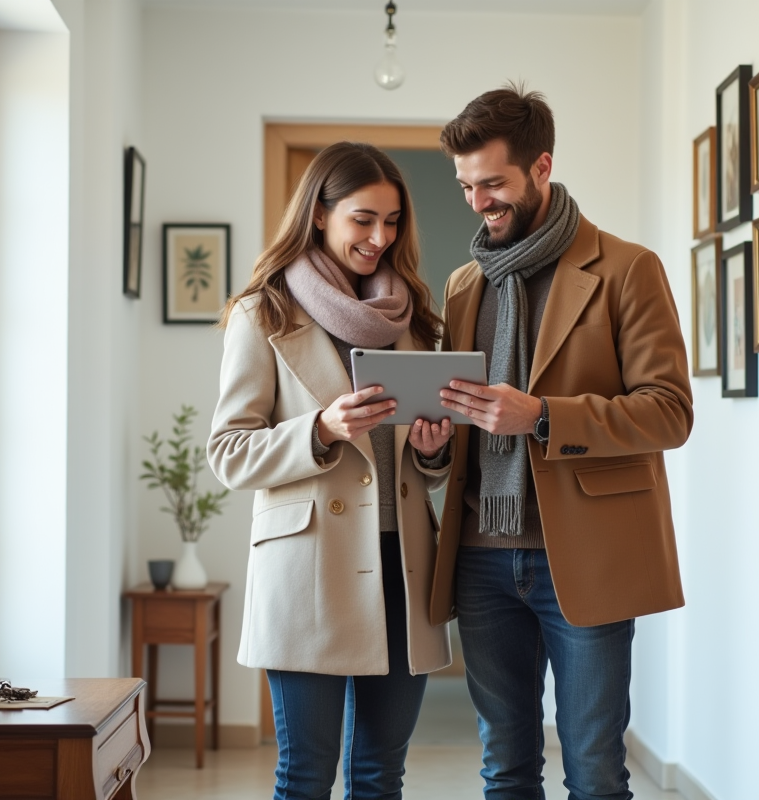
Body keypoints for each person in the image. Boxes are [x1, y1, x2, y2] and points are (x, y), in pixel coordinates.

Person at [432, 84, 694, 800]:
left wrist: (543, 415)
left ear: (542, 168)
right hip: (482, 561)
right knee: (505, 769)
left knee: (595, 771)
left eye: (493, 184)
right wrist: (431, 437)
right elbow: (459, 426)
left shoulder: (627, 269)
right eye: (465, 186)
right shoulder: (462, 286)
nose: (478, 202)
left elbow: (669, 412)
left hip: (589, 554)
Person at [207, 141, 455, 800]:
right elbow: (228, 451)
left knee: (380, 775)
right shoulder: (263, 313)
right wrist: (320, 430)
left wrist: (432, 449)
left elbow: (422, 466)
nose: (380, 237)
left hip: (405, 568)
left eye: (393, 221)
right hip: (308, 570)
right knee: (306, 775)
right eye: (363, 219)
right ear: (319, 214)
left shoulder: (414, 319)